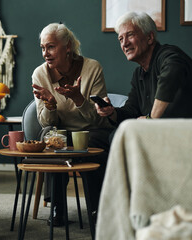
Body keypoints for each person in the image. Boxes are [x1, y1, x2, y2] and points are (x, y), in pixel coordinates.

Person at [32, 23, 114, 226]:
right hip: (61, 130)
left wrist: (79, 100)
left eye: (50, 47)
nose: (45, 53)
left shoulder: (92, 68)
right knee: (52, 138)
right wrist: (50, 105)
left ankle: (96, 207)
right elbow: (44, 121)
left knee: (94, 143)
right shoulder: (40, 74)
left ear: (67, 46)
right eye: (42, 48)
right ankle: (57, 207)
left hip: (91, 130)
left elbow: (99, 118)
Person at [96, 12, 192, 124]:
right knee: (112, 137)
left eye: (130, 35)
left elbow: (170, 76)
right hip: (174, 132)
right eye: (120, 39)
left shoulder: (169, 55)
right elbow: (131, 111)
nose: (124, 43)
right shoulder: (139, 74)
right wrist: (111, 112)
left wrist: (151, 119)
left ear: (149, 37)